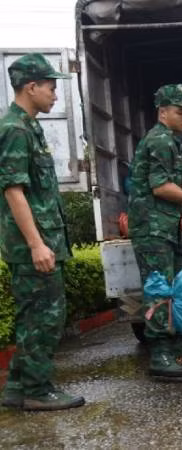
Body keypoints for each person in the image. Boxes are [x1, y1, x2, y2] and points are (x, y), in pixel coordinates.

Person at [0, 53, 85, 410]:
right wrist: (36, 245)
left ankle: (18, 387)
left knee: (34, 315)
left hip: (42, 241)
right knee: (46, 318)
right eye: (51, 88)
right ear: (31, 87)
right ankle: (37, 392)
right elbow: (13, 191)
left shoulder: (28, 127)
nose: (55, 95)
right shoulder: (15, 130)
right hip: (31, 246)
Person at [128, 84, 182, 379]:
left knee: (174, 285)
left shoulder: (169, 140)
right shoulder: (160, 141)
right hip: (152, 229)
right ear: (163, 112)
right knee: (159, 288)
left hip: (164, 225)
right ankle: (160, 353)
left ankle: (176, 342)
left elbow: (169, 190)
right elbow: (161, 187)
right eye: (180, 111)